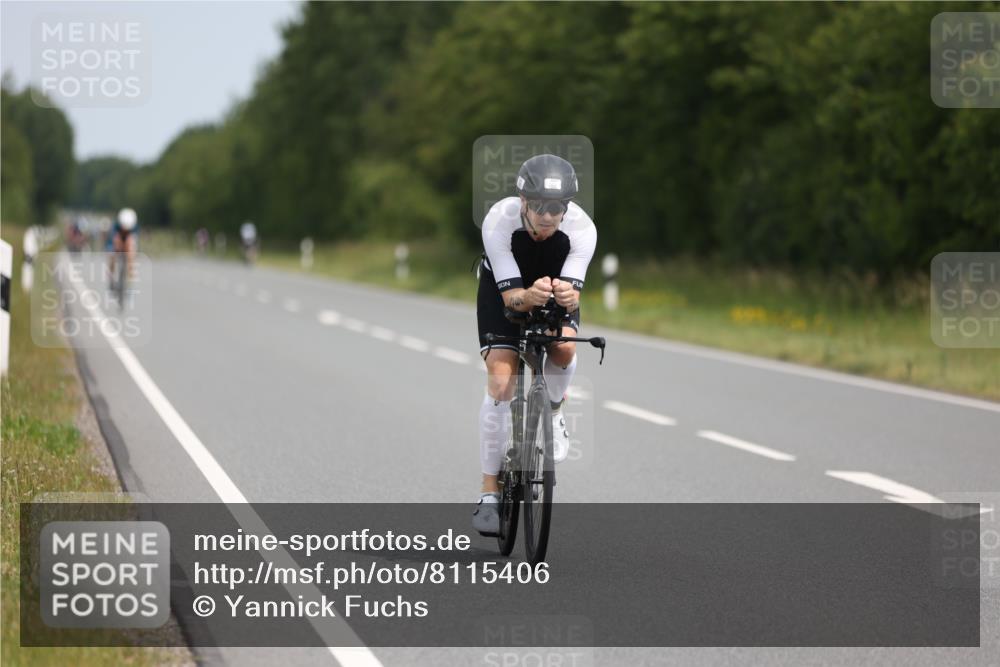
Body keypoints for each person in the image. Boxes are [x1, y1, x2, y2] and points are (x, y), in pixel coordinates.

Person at [472, 154, 597, 536]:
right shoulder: (499, 220)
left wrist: (568, 297)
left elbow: (573, 294)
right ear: (523, 201)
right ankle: (489, 493)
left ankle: (554, 411)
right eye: (539, 205)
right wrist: (528, 296)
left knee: (565, 349)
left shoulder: (582, 229)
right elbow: (512, 300)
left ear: (567, 207)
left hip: (552, 290)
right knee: (501, 382)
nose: (547, 215)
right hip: (504, 290)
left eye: (556, 207)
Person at [107, 208, 139, 285]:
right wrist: (117, 246)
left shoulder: (134, 227)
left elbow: (132, 239)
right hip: (118, 238)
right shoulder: (116, 226)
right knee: (112, 254)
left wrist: (129, 249)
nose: (125, 230)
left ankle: (130, 273)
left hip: (128, 240)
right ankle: (111, 273)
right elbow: (114, 239)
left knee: (131, 251)